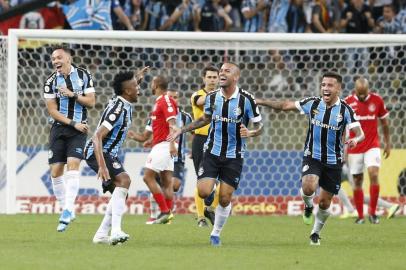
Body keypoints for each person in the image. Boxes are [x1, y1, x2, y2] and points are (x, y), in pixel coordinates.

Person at [256, 71, 364, 245]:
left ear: (338, 88)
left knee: (324, 202)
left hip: (333, 161)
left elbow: (360, 134)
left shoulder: (345, 110)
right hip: (312, 156)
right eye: (323, 85)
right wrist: (261, 101)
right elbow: (285, 105)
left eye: (330, 85)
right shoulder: (312, 103)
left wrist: (354, 140)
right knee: (308, 186)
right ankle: (307, 206)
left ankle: (315, 233)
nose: (325, 88)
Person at [168, 62, 263, 246]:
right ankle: (206, 208)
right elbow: (205, 119)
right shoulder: (211, 98)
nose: (221, 73)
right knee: (204, 191)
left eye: (226, 71)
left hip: (234, 155)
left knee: (226, 198)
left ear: (236, 76)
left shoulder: (246, 100)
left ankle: (215, 233)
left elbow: (260, 125)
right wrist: (182, 130)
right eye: (220, 71)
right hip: (211, 151)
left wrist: (251, 133)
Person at [85, 68, 148, 245]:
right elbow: (97, 136)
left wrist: (138, 78)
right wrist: (102, 166)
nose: (139, 89)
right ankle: (116, 231)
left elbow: (128, 87)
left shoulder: (123, 101)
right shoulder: (118, 110)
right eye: (136, 86)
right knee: (125, 181)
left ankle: (101, 234)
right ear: (128, 91)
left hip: (108, 153)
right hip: (97, 152)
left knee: (120, 193)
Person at [43, 45, 96, 232]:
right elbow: (52, 111)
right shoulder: (50, 82)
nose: (55, 61)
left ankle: (67, 209)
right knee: (56, 172)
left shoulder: (83, 75)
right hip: (60, 128)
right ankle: (66, 207)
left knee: (73, 165)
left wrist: (73, 94)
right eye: (52, 59)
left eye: (58, 57)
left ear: (68, 59)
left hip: (79, 130)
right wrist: (72, 123)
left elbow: (91, 102)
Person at [128, 89, 192, 224]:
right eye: (171, 97)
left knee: (150, 177)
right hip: (166, 148)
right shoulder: (156, 114)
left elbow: (194, 134)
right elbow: (148, 134)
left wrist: (173, 145)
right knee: (164, 182)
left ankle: (165, 211)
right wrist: (142, 138)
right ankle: (159, 214)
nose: (173, 99)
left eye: (176, 97)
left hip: (171, 150)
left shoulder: (184, 116)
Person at [344, 77, 396, 224]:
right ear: (355, 90)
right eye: (359, 93)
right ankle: (360, 216)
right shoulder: (348, 102)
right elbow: (342, 126)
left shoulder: (377, 100)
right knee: (357, 180)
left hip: (372, 145)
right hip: (355, 147)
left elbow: (385, 124)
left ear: (368, 89)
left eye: (364, 93)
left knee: (373, 174)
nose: (361, 96)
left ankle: (372, 213)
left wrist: (388, 143)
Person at [142, 75, 178, 224]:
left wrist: (171, 143)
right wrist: (152, 141)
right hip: (161, 144)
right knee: (166, 181)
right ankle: (168, 217)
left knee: (147, 177)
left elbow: (172, 123)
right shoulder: (159, 102)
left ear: (156, 85)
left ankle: (164, 211)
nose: (150, 85)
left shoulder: (166, 100)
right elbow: (163, 126)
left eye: (152, 83)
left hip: (165, 145)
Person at [190, 65, 220, 227]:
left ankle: (211, 209)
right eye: (209, 77)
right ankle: (201, 217)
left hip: (218, 141)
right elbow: (201, 102)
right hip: (201, 141)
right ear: (204, 79)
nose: (212, 80)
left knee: (219, 182)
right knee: (202, 180)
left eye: (215, 77)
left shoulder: (223, 97)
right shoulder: (198, 95)